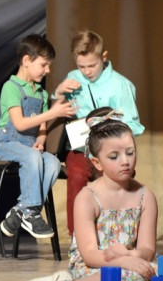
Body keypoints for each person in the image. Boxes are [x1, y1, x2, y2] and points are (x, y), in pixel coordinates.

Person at [16, 107, 158, 281]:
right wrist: (122, 261)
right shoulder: (88, 197)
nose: (125, 161)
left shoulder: (145, 196)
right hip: (95, 264)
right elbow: (90, 254)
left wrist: (130, 256)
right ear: (97, 162)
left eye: (130, 153)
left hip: (132, 260)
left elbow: (148, 249)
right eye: (114, 156)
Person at [53, 30, 144, 236]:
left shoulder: (120, 85)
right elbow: (55, 112)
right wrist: (58, 93)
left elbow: (134, 124)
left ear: (104, 57)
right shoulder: (72, 79)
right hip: (80, 147)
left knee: (115, 177)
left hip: (110, 149)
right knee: (77, 174)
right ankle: (77, 235)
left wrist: (109, 124)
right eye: (81, 66)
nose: (86, 71)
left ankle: (114, 232)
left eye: (92, 65)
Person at [0, 34, 77, 239]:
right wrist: (53, 113)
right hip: (6, 144)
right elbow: (20, 124)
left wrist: (40, 141)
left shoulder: (41, 94)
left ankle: (21, 210)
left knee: (53, 163)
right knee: (32, 157)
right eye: (44, 65)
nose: (48, 70)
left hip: (30, 149)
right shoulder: (11, 88)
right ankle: (31, 212)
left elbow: (42, 129)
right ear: (26, 60)